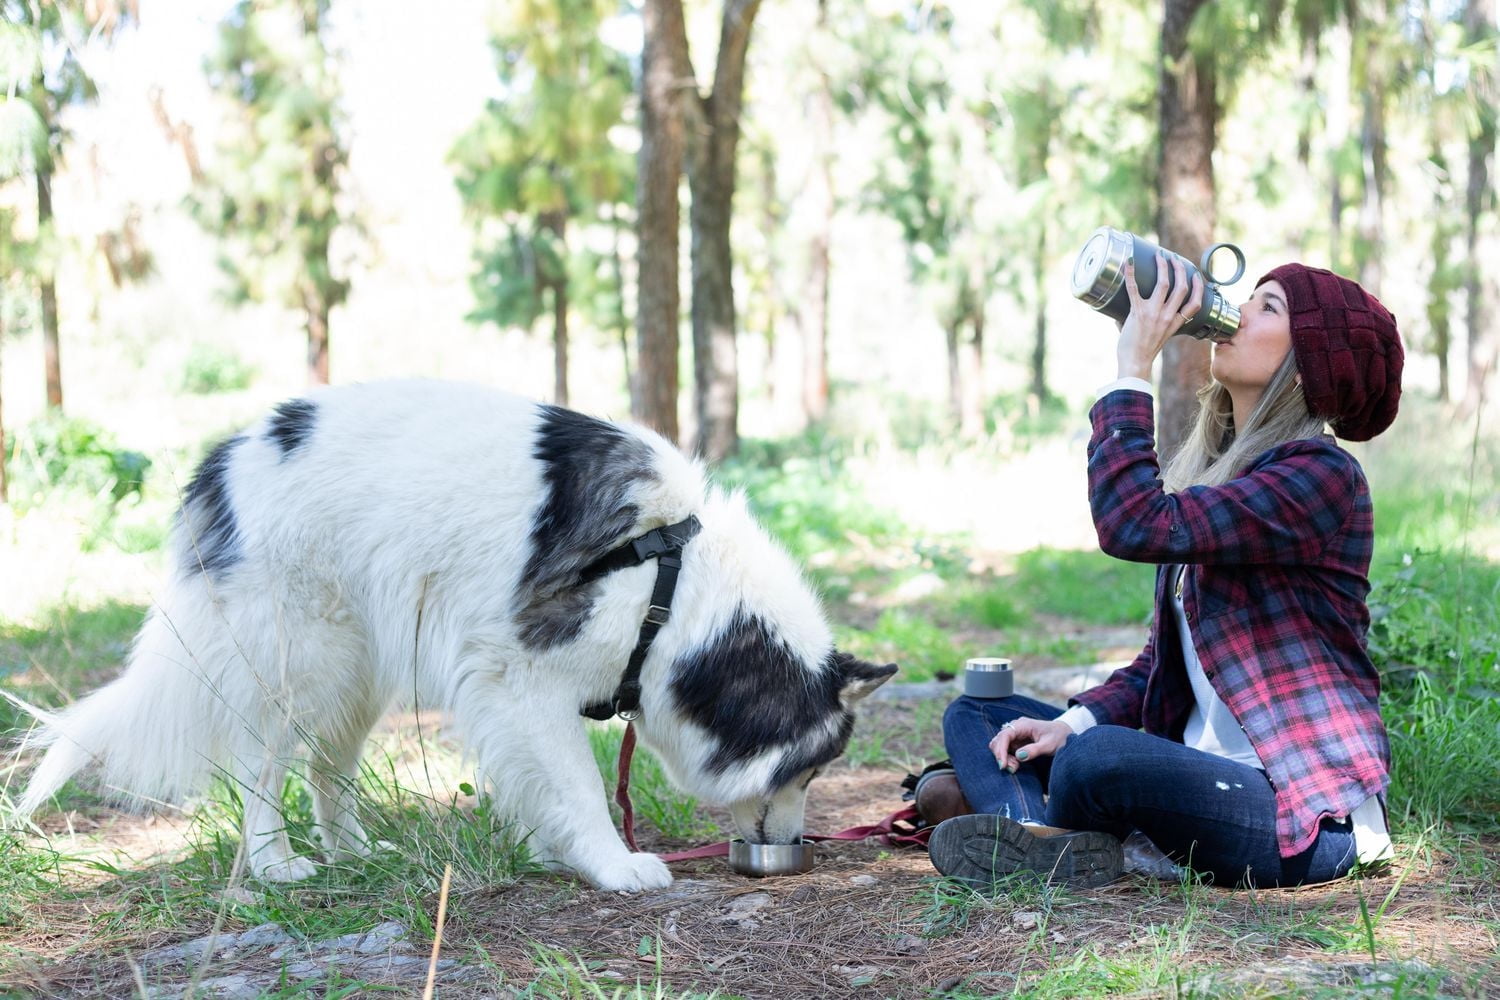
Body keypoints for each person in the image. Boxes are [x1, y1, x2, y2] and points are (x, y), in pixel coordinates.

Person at [922, 252, 1405, 890]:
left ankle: (1022, 820)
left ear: (1309, 361)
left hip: (1296, 809)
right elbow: (1160, 667)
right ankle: (1036, 837)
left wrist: (1131, 370)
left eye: (1269, 306)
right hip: (1193, 766)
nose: (1237, 311)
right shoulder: (1227, 476)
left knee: (1098, 760)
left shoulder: (1322, 476)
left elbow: (1132, 523)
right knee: (980, 715)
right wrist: (1065, 724)